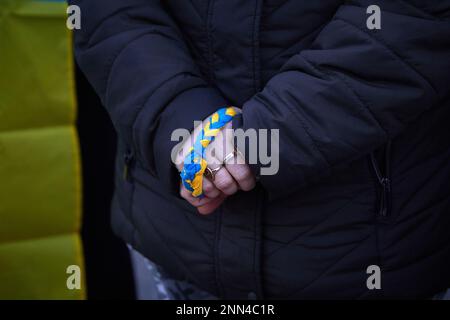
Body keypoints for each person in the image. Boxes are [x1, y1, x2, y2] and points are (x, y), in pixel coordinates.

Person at [71, 0, 450, 299]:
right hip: (180, 241)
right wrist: (178, 119)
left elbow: (411, 18)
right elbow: (110, 11)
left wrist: (258, 139)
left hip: (367, 248)